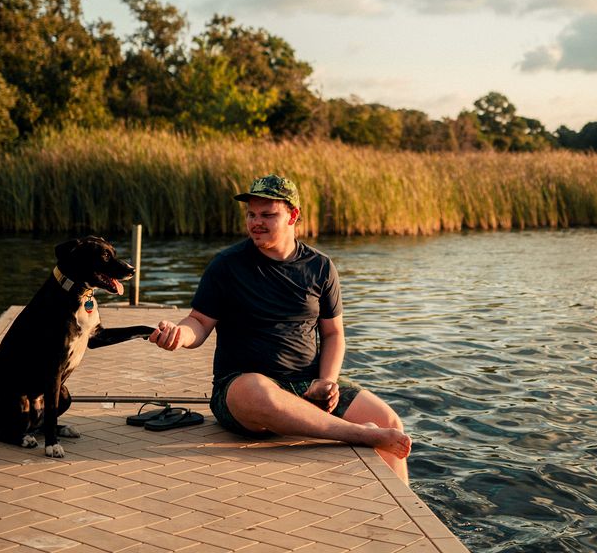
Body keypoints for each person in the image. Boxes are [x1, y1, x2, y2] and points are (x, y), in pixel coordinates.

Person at [149, 173, 413, 480]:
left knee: (389, 422)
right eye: (251, 214)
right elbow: (199, 322)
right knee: (255, 390)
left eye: (267, 214)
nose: (256, 222)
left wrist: (326, 381)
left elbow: (333, 333)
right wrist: (179, 335)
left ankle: (403, 505)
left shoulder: (320, 266)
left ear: (293, 215)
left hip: (307, 384)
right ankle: (358, 434)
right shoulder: (226, 265)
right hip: (241, 390)